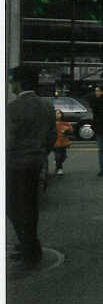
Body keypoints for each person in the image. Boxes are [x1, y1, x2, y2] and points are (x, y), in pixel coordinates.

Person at [6, 66, 56, 266]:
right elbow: (52, 135)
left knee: (13, 207)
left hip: (15, 162)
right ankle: (30, 245)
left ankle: (29, 247)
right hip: (37, 161)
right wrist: (43, 152)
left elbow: (8, 140)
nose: (10, 85)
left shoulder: (12, 108)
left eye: (12, 81)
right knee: (31, 205)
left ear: (20, 83)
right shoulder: (46, 106)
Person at [53, 109, 73, 175]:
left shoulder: (65, 123)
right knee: (58, 155)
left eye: (59, 113)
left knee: (63, 156)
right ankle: (59, 168)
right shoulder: (51, 123)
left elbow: (70, 131)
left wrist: (67, 131)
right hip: (55, 142)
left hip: (63, 142)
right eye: (56, 113)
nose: (57, 115)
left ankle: (57, 163)